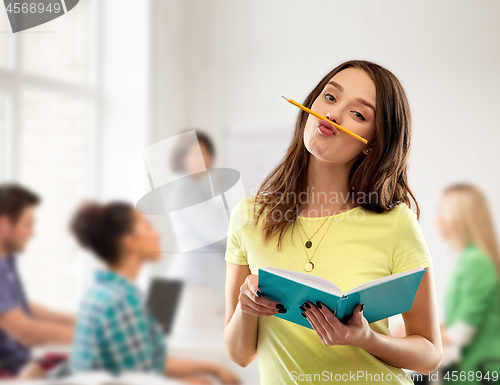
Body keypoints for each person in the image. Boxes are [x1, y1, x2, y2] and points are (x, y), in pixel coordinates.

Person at [224, 60, 443, 385]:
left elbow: (430, 355)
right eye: (330, 97)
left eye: (358, 114)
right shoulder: (249, 216)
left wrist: (367, 340)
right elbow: (240, 355)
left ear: (373, 143)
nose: (334, 114)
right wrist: (245, 308)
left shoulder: (397, 224)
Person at [69, 201, 240, 385]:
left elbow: (150, 361)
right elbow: (139, 377)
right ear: (130, 242)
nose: (157, 234)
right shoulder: (121, 301)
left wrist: (212, 368)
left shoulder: (103, 292)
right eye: (147, 227)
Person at [0, 183, 74, 377]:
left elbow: (19, 307)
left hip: (22, 364)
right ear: (4, 224)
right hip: (10, 371)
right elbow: (27, 333)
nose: (32, 233)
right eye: (28, 224)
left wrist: (77, 320)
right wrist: (93, 335)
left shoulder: (7, 261)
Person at [436, 183, 500, 384]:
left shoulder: (476, 261)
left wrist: (411, 333)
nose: (437, 220)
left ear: (458, 218)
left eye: (441, 212)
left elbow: (460, 335)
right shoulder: (468, 259)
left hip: (480, 373)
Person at [166, 129, 228, 335]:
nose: (205, 159)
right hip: (195, 280)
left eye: (207, 153)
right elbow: (218, 230)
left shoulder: (195, 189)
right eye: (197, 154)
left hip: (198, 279)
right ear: (182, 157)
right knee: (197, 347)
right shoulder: (186, 189)